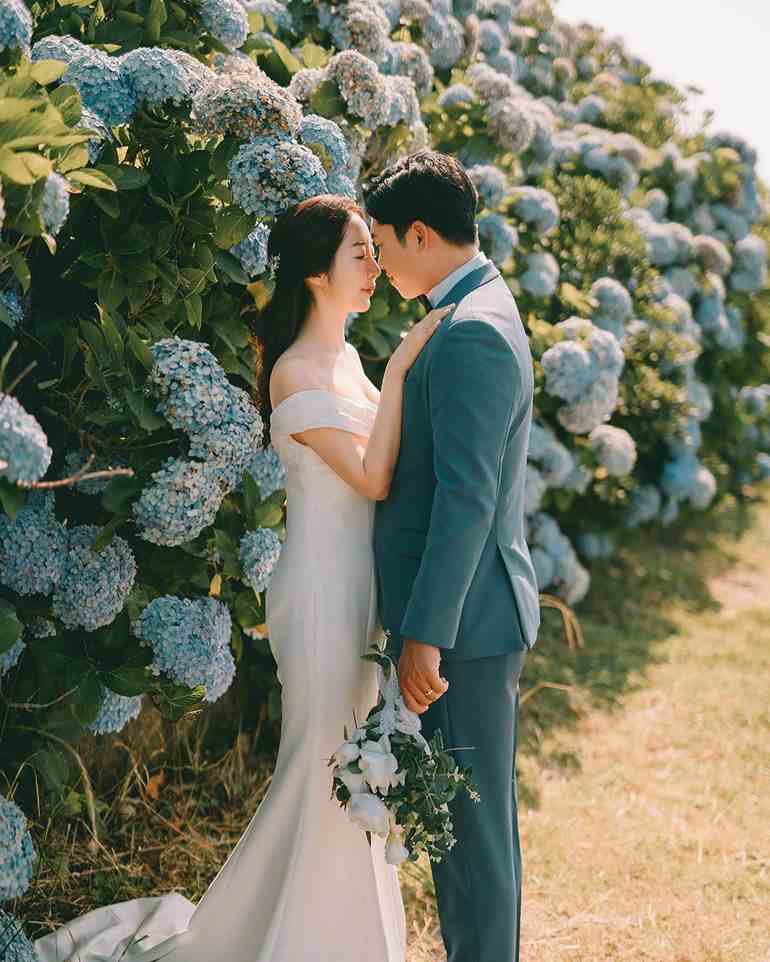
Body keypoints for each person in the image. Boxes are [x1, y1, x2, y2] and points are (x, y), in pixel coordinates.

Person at [33, 193, 448, 962]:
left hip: (362, 591)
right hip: (321, 593)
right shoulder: (294, 370)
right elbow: (371, 476)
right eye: (359, 252)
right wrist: (404, 371)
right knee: (322, 760)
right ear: (318, 274)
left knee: (356, 760)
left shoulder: (349, 360)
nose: (373, 266)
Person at [363, 149, 541, 962]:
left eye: (383, 241)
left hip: (466, 625)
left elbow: (466, 497)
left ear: (421, 232)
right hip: (467, 616)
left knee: (474, 835)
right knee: (460, 827)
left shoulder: (471, 332)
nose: (378, 258)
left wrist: (425, 632)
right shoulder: (472, 306)